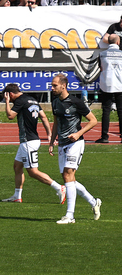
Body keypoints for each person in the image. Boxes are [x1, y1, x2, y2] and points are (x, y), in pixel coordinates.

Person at [49, 73, 101, 223]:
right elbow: (56, 123)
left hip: (75, 143)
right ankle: (93, 202)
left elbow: (93, 120)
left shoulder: (75, 102)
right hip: (62, 143)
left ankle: (70, 216)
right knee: (68, 178)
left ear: (63, 86)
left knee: (68, 175)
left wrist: (78, 134)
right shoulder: (55, 102)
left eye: (54, 85)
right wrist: (52, 141)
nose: (52, 88)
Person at [1, 83, 66, 203]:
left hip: (28, 141)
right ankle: (17, 196)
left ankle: (59, 187)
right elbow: (44, 117)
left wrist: (6, 102)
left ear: (10, 94)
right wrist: (49, 133)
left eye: (8, 96)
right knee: (17, 167)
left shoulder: (20, 101)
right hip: (30, 140)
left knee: (33, 172)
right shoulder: (32, 99)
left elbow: (10, 116)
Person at [96, 34, 122, 143]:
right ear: (117, 42)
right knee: (121, 111)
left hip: (106, 85)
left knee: (106, 111)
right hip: (120, 85)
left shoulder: (102, 54)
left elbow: (100, 67)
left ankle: (104, 137)